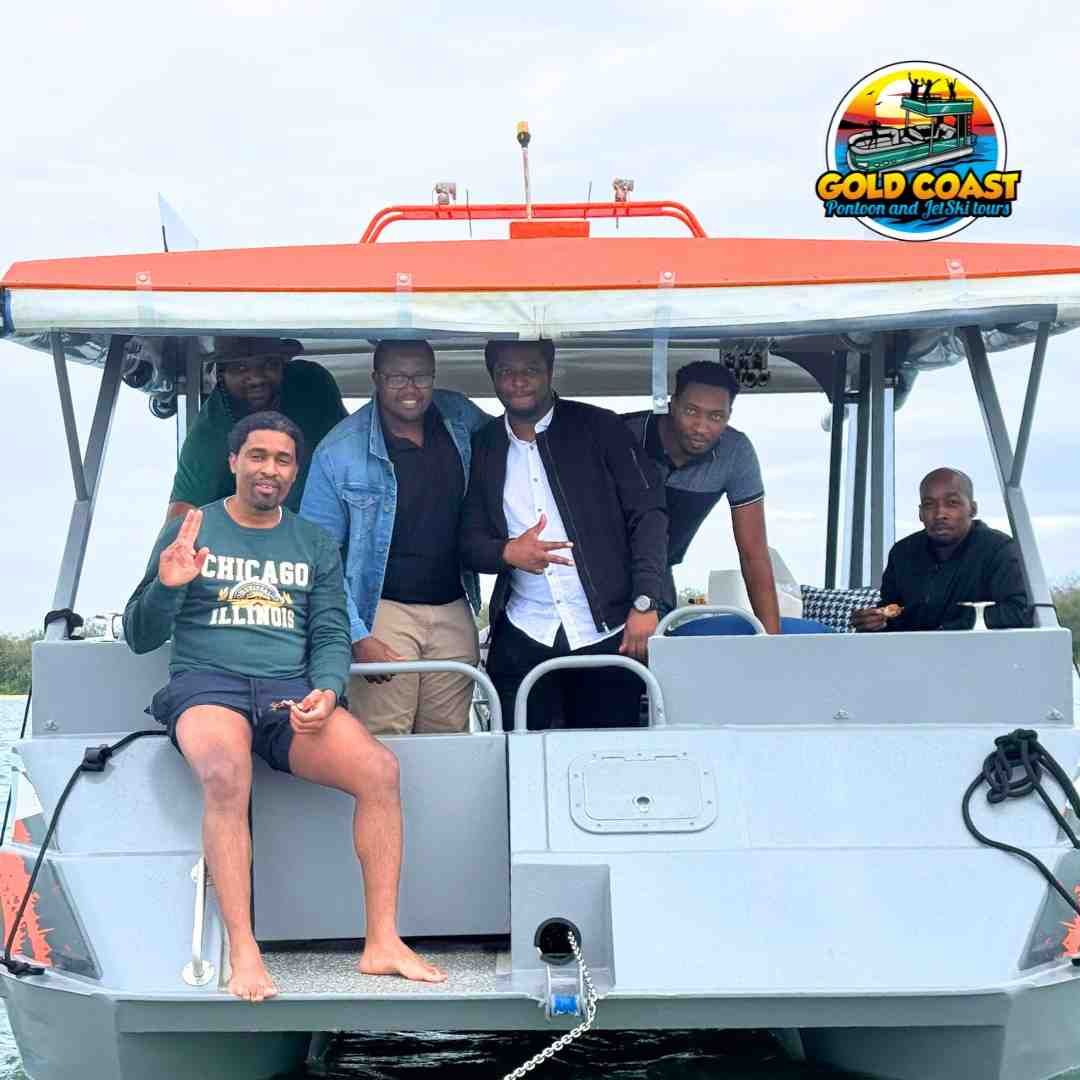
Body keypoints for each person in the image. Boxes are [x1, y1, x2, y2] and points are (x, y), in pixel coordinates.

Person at [125, 410, 446, 1002]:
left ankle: (381, 942)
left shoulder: (313, 541)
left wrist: (327, 691)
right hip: (207, 686)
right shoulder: (190, 531)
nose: (268, 469)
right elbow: (139, 635)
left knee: (379, 771)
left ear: (296, 471)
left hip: (286, 691)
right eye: (257, 456)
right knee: (225, 774)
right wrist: (167, 588)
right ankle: (244, 951)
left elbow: (328, 634)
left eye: (282, 459)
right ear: (233, 462)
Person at [461, 340, 671, 730]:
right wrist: (507, 552)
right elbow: (467, 541)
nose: (518, 381)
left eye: (530, 370)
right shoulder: (483, 445)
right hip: (523, 633)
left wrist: (645, 601)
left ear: (550, 371)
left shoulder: (601, 426)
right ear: (492, 376)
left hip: (609, 632)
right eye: (506, 371)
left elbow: (649, 516)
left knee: (607, 762)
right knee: (519, 763)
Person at [301, 340, 490, 735]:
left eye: (421, 376)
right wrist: (356, 635)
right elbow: (315, 556)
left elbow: (513, 445)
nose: (410, 388)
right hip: (381, 612)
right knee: (385, 741)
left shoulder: (458, 415)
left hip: (455, 606)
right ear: (375, 379)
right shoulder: (339, 450)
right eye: (397, 377)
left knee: (450, 742)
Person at [624, 361, 781, 634]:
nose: (701, 427)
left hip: (660, 573)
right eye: (691, 411)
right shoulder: (625, 434)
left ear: (729, 416)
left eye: (716, 417)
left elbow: (753, 554)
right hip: (599, 570)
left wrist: (772, 642)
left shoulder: (736, 454)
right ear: (672, 405)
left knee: (656, 661)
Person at [167, 337, 347, 521]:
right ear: (221, 375)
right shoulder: (209, 433)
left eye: (269, 364)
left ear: (283, 365)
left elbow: (351, 450)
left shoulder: (313, 384)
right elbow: (182, 515)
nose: (257, 378)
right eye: (240, 368)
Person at [851, 467, 1032, 632]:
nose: (940, 514)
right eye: (929, 504)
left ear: (973, 509)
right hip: (910, 659)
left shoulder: (999, 549)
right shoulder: (902, 553)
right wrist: (874, 621)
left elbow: (1017, 612)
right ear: (920, 513)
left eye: (952, 503)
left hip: (978, 658)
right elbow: (892, 610)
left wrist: (947, 630)